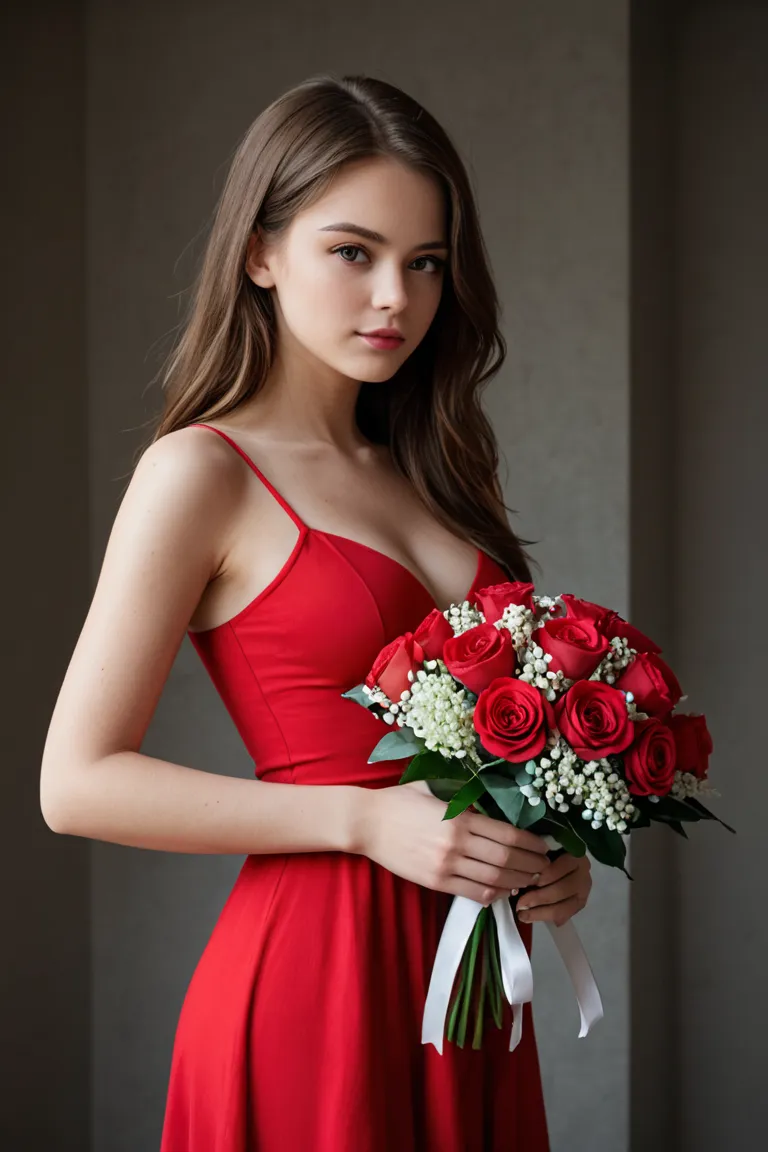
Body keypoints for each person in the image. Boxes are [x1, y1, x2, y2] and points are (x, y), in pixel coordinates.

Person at [40, 73, 592, 1151]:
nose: (396, 296)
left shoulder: (435, 472)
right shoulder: (201, 472)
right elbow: (75, 782)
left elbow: (484, 756)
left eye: (424, 263)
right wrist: (363, 818)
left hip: (470, 978)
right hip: (316, 976)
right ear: (259, 253)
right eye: (354, 252)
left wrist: (541, 855)